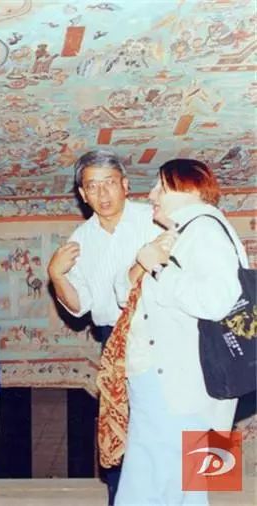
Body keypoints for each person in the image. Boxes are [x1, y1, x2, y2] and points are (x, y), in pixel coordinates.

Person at [113, 159, 246, 505]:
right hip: (190, 386)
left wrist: (157, 267)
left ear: (186, 189)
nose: (151, 194)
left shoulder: (204, 230)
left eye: (160, 186)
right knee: (189, 492)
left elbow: (216, 301)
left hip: (172, 385)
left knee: (145, 489)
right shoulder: (189, 231)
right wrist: (146, 262)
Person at [46, 150, 160, 504]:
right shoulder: (80, 240)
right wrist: (56, 275)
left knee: (176, 424)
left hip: (165, 333)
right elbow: (79, 307)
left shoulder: (154, 219)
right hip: (114, 341)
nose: (103, 193)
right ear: (82, 194)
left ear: (125, 184)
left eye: (109, 183)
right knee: (120, 429)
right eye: (93, 187)